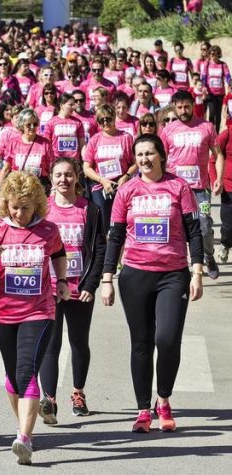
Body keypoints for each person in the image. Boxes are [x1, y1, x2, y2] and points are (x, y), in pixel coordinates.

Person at [101, 134, 205, 434]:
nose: (144, 159)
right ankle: (143, 409)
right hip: (135, 275)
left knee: (168, 339)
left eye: (150, 153)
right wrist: (107, 278)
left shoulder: (179, 187)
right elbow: (116, 237)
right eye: (139, 155)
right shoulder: (127, 190)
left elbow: (194, 232)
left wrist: (196, 272)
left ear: (161, 155)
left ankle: (164, 399)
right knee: (141, 342)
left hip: (173, 274)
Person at [0, 171, 69, 465]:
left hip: (39, 312)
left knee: (27, 372)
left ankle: (24, 438)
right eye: (14, 206)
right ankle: (24, 427)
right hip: (2, 315)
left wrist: (61, 281)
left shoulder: (48, 230)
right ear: (6, 204)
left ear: (36, 205)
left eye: (26, 207)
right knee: (13, 376)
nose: (19, 213)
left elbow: (59, 253)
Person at [39, 158, 106, 424]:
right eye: (58, 175)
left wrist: (91, 284)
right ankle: (50, 400)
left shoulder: (90, 210)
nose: (63, 180)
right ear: (51, 178)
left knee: (79, 342)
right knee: (51, 345)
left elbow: (99, 250)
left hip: (80, 288)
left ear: (77, 177)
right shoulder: (42, 209)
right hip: (50, 289)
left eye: (68, 175)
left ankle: (78, 393)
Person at [160, 90, 225, 279]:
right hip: (175, 189)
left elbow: (218, 154)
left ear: (192, 104)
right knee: (175, 228)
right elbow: (161, 159)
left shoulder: (206, 127)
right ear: (174, 107)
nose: (183, 110)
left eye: (187, 106)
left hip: (200, 189)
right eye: (179, 107)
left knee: (204, 225)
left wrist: (218, 178)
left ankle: (208, 255)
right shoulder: (168, 131)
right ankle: (178, 266)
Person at [82, 104, 137, 232]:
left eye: (108, 118)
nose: (105, 122)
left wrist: (126, 176)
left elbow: (135, 162)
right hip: (101, 185)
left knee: (123, 223)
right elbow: (86, 167)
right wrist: (103, 181)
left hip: (121, 183)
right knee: (104, 224)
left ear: (114, 117)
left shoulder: (126, 138)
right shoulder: (94, 140)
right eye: (102, 120)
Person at [215, 126, 232, 262]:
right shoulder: (226, 134)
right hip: (229, 186)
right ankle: (225, 243)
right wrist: (216, 179)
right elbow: (214, 158)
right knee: (228, 224)